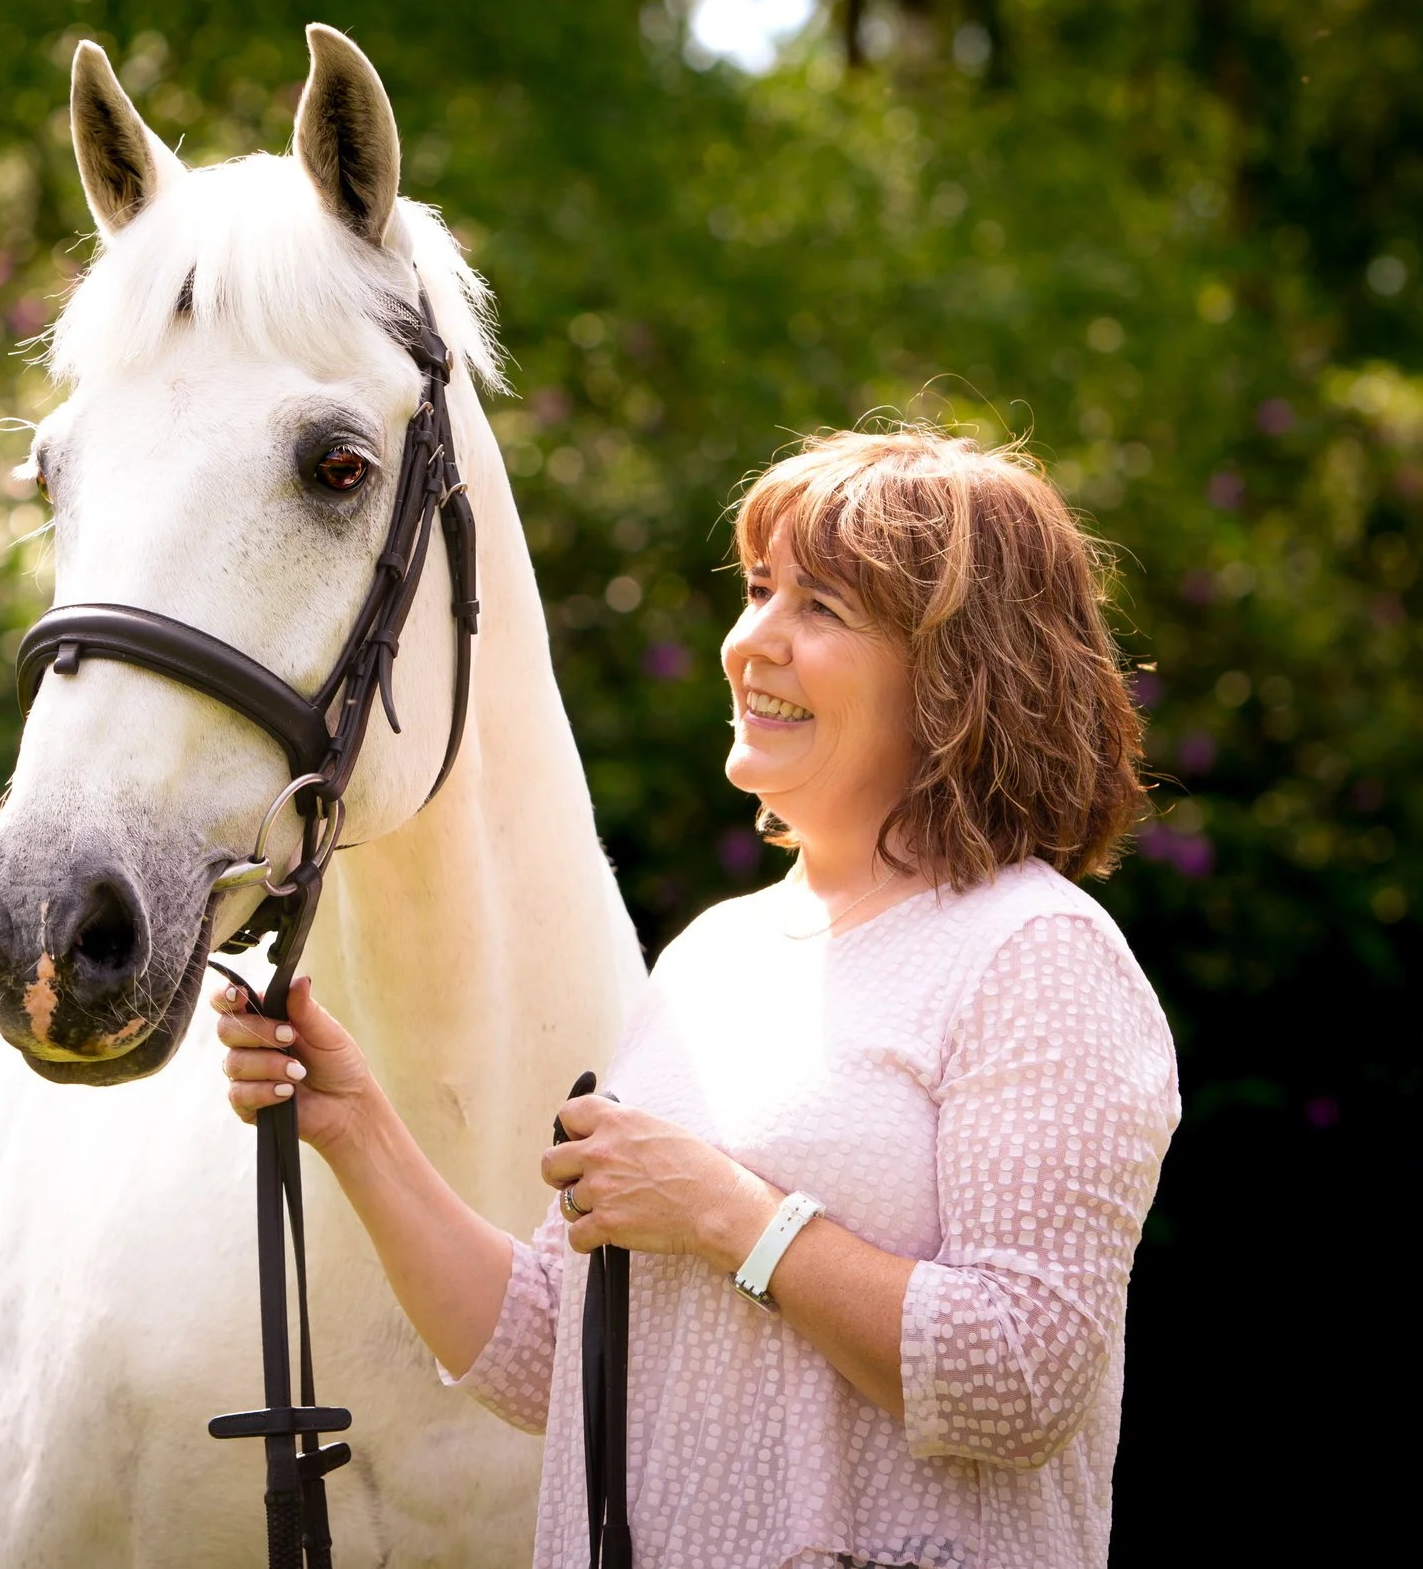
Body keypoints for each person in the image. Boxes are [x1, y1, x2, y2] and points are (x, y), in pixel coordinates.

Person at [217, 427, 1181, 1568]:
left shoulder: (1035, 952)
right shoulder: (714, 954)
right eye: (760, 590)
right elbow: (551, 1354)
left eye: (821, 607)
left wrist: (731, 1214)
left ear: (961, 669)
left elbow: (1020, 1381)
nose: (750, 642)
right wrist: (354, 1125)